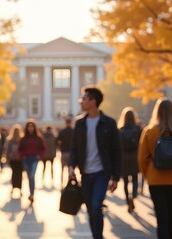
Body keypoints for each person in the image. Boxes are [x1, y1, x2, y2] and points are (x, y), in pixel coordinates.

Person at [68, 86, 121, 239]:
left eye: (83, 99)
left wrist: (115, 177)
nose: (81, 102)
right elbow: (74, 148)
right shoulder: (80, 123)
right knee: (91, 209)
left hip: (101, 173)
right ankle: (96, 235)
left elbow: (116, 151)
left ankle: (98, 236)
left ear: (93, 102)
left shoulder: (109, 123)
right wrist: (71, 166)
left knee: (97, 205)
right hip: (85, 173)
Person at [138, 98, 172, 239]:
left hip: (156, 180)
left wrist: (147, 175)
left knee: (161, 218)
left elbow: (141, 158)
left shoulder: (149, 131)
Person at [117, 107, 142, 213]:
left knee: (126, 181)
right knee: (135, 178)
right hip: (135, 157)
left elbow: (117, 147)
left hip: (124, 158)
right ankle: (134, 196)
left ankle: (128, 201)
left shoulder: (120, 130)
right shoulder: (138, 129)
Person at [18, 119, 45, 203]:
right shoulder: (23, 138)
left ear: (34, 127)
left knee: (32, 175)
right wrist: (22, 156)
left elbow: (43, 148)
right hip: (26, 159)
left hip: (34, 159)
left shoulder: (38, 138)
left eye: (32, 126)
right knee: (29, 177)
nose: (30, 128)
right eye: (29, 126)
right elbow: (19, 149)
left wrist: (39, 155)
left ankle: (32, 194)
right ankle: (30, 192)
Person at [5, 124, 24, 196]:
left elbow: (7, 150)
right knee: (19, 174)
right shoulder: (21, 139)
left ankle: (13, 188)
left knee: (14, 173)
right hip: (20, 159)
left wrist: (7, 158)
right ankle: (19, 188)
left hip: (13, 159)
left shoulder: (10, 140)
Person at [57, 116, 74, 188]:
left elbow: (57, 141)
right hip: (71, 153)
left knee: (62, 169)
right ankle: (68, 184)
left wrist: (60, 146)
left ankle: (61, 184)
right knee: (70, 169)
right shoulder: (74, 131)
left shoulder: (62, 131)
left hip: (63, 152)